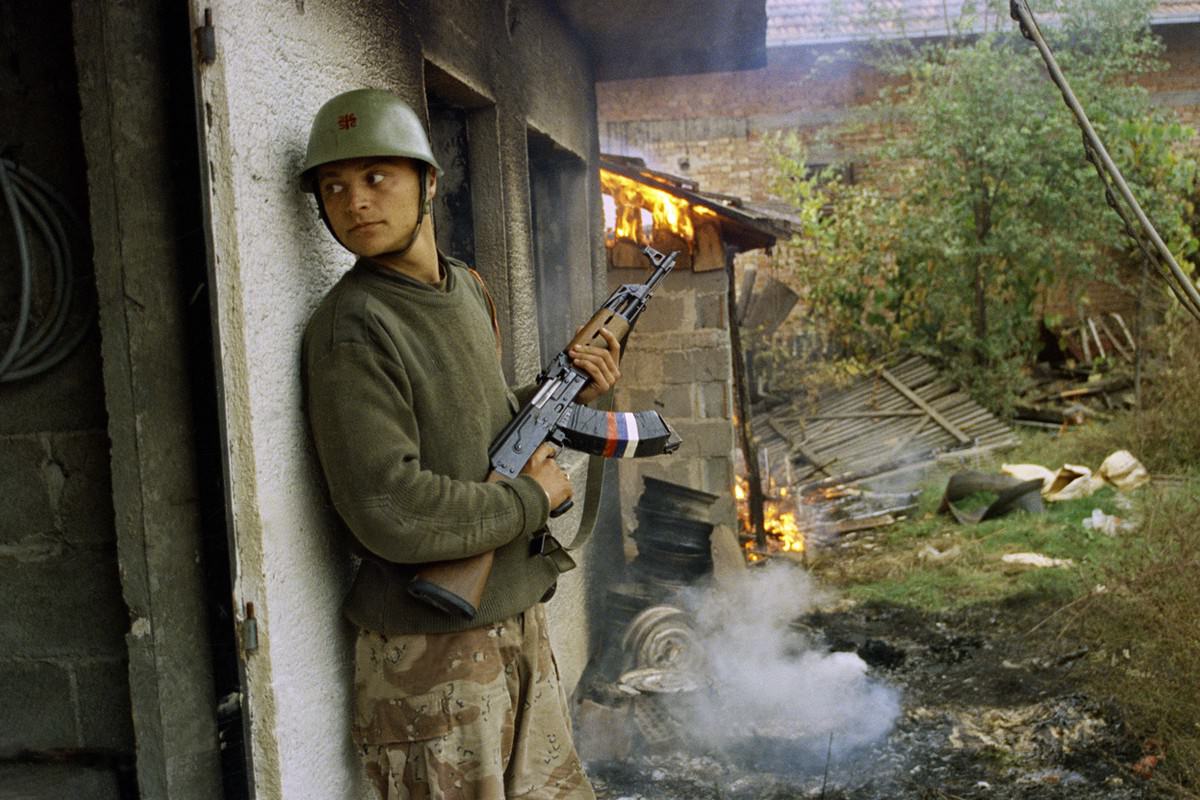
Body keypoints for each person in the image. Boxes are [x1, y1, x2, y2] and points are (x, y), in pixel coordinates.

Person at [300, 88, 616, 799]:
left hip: (513, 620)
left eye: (377, 178)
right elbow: (390, 507)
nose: (356, 203)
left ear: (429, 183)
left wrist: (565, 394)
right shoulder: (354, 327)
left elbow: (484, 427)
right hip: (429, 659)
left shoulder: (466, 288)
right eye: (335, 187)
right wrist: (535, 500)